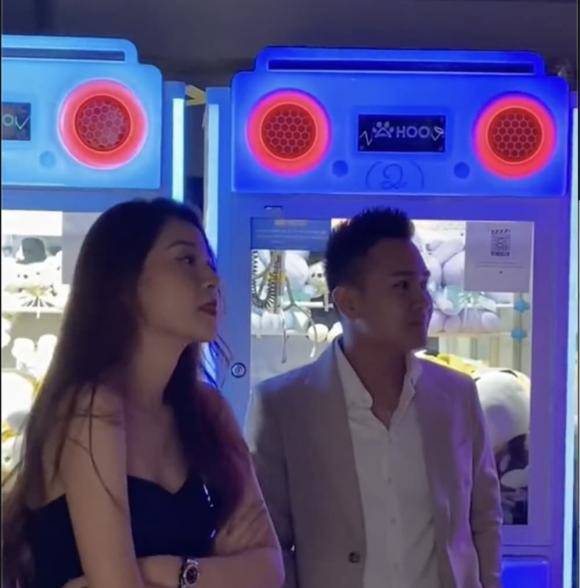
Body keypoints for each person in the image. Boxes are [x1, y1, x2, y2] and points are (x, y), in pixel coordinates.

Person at [2, 198, 284, 588]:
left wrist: (167, 571)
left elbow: (269, 568)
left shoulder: (209, 410)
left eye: (210, 264)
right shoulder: (93, 409)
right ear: (124, 283)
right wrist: (219, 567)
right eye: (186, 260)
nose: (212, 280)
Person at [245, 207, 502, 588]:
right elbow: (270, 543)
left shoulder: (457, 395)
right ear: (349, 302)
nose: (422, 301)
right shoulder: (283, 406)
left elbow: (484, 517)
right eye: (402, 286)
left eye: (423, 284)